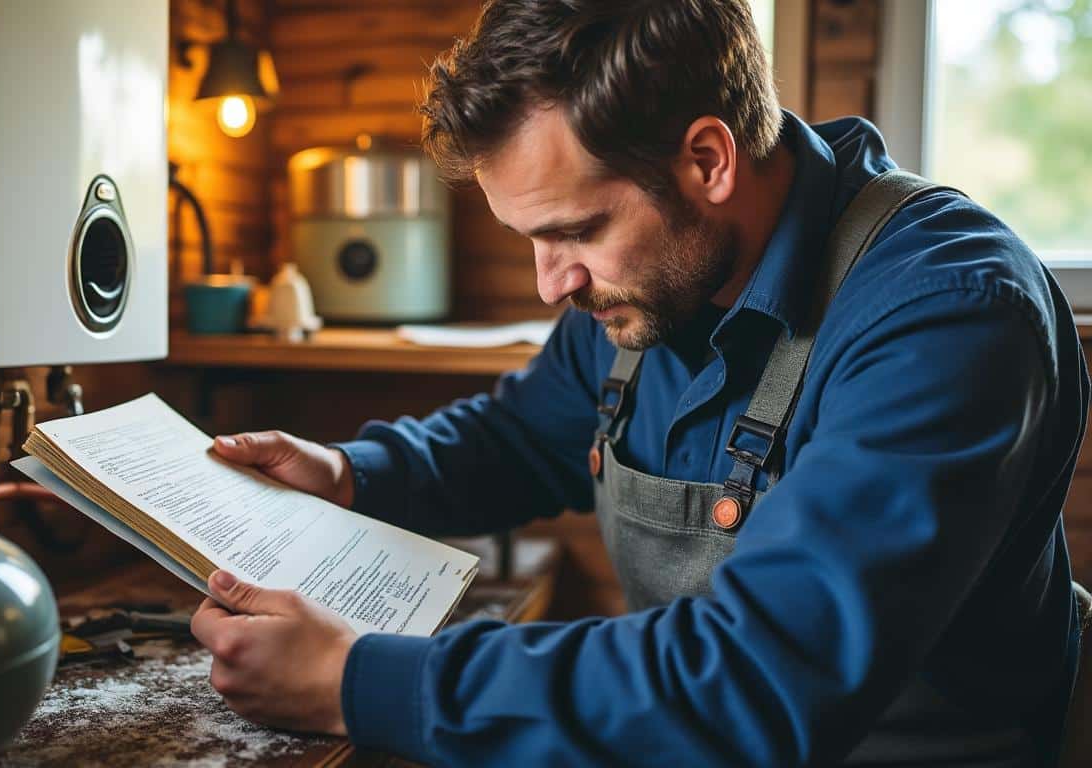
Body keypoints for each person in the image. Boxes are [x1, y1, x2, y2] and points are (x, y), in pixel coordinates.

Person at [187, 1, 1089, 765]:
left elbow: (761, 676)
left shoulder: (949, 307)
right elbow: (519, 436)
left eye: (574, 232)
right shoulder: (646, 289)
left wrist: (358, 680)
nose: (551, 282)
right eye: (530, 240)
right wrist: (349, 474)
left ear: (708, 160)